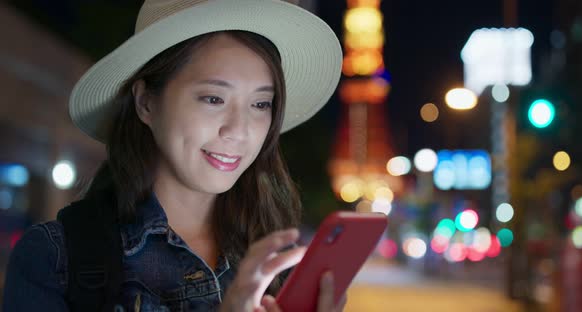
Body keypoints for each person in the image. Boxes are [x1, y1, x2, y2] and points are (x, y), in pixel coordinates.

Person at [2, 0, 343, 311]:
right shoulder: (56, 257)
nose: (239, 130)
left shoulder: (281, 263)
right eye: (213, 99)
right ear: (146, 102)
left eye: (260, 104)